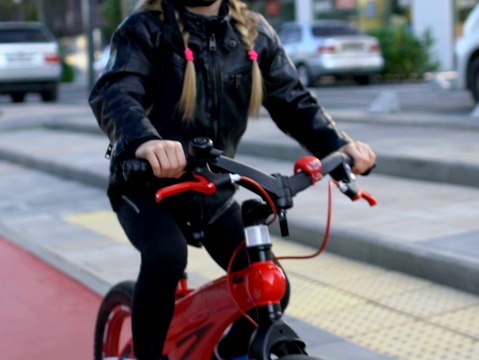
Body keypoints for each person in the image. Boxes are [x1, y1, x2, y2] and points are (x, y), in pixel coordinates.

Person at [88, 0, 376, 359]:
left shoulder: (255, 35)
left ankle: (229, 352)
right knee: (165, 256)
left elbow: (294, 101)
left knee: (269, 283)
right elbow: (115, 92)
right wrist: (144, 141)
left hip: (212, 190)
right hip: (146, 188)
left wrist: (340, 146)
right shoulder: (144, 29)